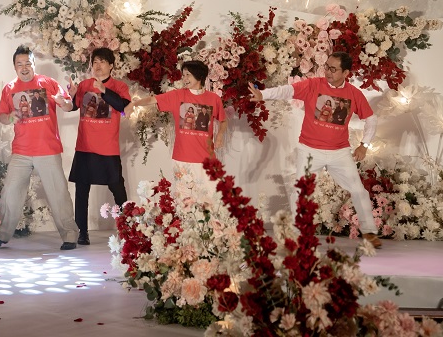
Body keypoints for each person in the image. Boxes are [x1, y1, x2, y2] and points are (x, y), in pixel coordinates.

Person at [248, 51, 382, 248]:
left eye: (333, 69)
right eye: (326, 67)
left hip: (340, 152)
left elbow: (371, 119)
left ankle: (369, 232)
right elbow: (287, 91)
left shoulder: (354, 94)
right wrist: (263, 95)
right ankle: (298, 235)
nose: (327, 72)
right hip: (309, 150)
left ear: (346, 73)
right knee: (300, 192)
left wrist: (364, 145)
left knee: (358, 190)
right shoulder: (313, 85)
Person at [0, 45, 79, 250]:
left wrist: (64, 101)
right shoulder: (9, 88)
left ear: (33, 64)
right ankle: (3, 234)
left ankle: (70, 235)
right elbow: (2, 116)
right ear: (14, 67)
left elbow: (68, 106)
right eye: (19, 64)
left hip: (47, 149)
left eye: (27, 63)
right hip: (21, 151)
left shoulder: (48, 83)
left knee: (58, 194)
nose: (24, 67)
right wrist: (10, 117)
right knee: (10, 192)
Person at [66, 47, 131, 246]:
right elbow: (74, 106)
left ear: (111, 65)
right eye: (95, 62)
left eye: (102, 61)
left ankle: (128, 230)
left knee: (117, 188)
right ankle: (82, 232)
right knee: (81, 189)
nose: (98, 65)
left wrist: (104, 90)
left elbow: (123, 107)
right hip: (85, 146)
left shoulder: (119, 86)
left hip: (108, 147)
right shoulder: (84, 85)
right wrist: (71, 96)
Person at [133, 60, 227, 195]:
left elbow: (223, 121)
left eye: (188, 75)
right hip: (182, 158)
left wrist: (220, 135)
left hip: (206, 158)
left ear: (199, 76)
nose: (184, 78)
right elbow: (152, 99)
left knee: (210, 199)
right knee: (184, 200)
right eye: (183, 75)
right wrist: (133, 104)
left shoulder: (213, 99)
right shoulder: (177, 95)